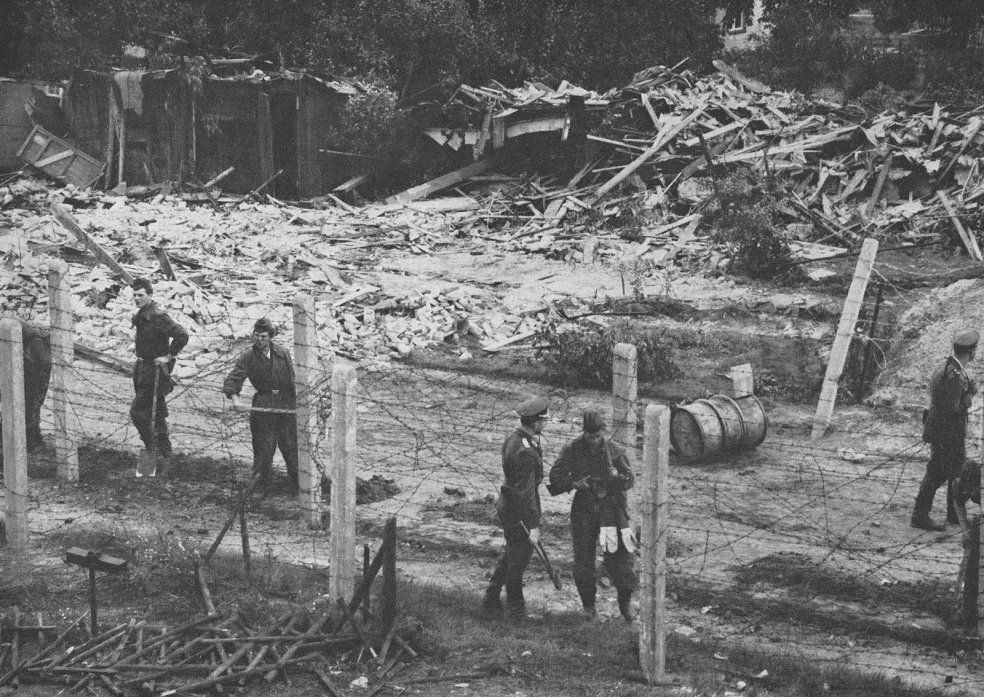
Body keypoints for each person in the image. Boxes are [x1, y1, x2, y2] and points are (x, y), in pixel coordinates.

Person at [548, 410, 638, 621]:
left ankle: (625, 604)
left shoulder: (615, 451)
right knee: (583, 559)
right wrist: (575, 484)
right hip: (584, 507)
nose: (593, 440)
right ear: (584, 433)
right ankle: (588, 605)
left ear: (602, 434)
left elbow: (629, 480)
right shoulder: (572, 449)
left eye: (597, 436)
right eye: (590, 436)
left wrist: (617, 477)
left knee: (621, 557)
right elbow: (555, 477)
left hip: (611, 507)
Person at [483, 396, 549, 622]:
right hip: (519, 510)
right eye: (544, 420)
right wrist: (534, 525)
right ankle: (517, 612)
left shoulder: (514, 439)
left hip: (508, 504)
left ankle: (491, 598)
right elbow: (526, 493)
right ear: (537, 423)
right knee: (519, 560)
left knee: (512, 553)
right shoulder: (526, 451)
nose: (546, 424)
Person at [913, 328, 979, 532]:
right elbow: (951, 409)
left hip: (949, 432)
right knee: (936, 473)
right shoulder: (954, 375)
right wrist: (969, 397)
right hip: (946, 433)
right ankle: (920, 516)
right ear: (972, 351)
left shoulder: (946, 367)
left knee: (957, 473)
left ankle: (954, 513)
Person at [222, 318, 298, 492]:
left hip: (286, 404)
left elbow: (293, 381)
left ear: (270, 337)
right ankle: (261, 488)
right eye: (257, 336)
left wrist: (299, 402)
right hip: (263, 404)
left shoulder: (283, 353)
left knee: (291, 446)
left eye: (264, 336)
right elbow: (233, 379)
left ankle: (298, 486)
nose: (260, 340)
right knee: (264, 448)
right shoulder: (248, 356)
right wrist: (235, 399)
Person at [129, 277, 188, 460]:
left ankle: (151, 448)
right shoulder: (143, 313)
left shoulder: (157, 315)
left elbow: (182, 335)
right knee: (156, 412)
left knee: (138, 412)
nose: (137, 298)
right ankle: (166, 454)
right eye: (134, 295)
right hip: (141, 367)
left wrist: (168, 356)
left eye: (141, 295)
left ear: (150, 295)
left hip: (153, 371)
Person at [0, 319, 51, 453]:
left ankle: (31, 441)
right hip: (29, 347)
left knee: (31, 398)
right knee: (32, 399)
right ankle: (31, 439)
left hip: (33, 349)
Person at [952, 459, 980, 628]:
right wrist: (964, 529)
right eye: (967, 485)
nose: (969, 490)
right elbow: (958, 502)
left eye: (973, 486)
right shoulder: (959, 483)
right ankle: (969, 610)